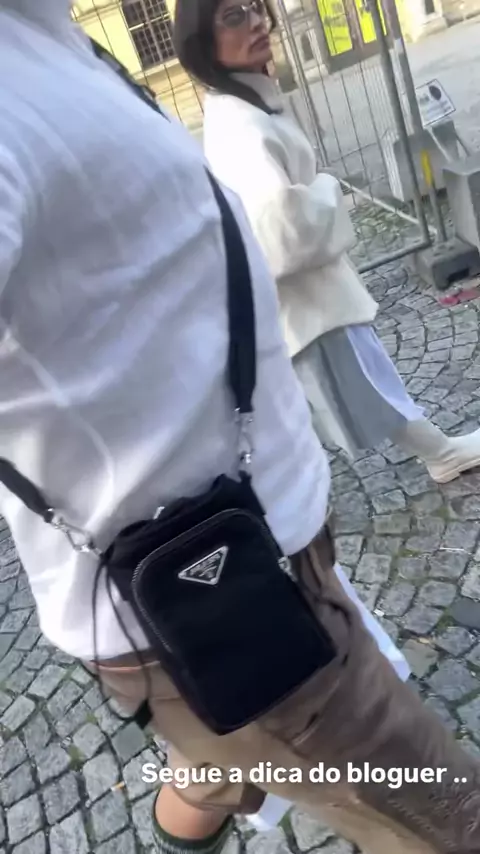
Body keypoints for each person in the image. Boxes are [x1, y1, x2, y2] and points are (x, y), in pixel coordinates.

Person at [1, 3, 480, 854]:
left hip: (260, 551)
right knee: (449, 820)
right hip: (212, 607)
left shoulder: (45, 32)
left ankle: (205, 771)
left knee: (223, 750)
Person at [177, 0, 480, 485]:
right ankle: (441, 454)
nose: (255, 22)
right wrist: (327, 189)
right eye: (233, 17)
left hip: (313, 294)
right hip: (307, 299)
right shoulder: (240, 124)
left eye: (253, 7)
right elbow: (279, 225)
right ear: (203, 43)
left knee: (363, 379)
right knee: (362, 384)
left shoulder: (245, 102)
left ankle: (438, 452)